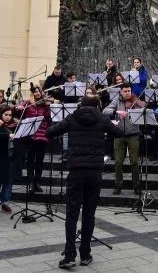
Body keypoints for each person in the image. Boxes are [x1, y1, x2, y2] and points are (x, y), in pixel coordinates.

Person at [47, 94, 123, 270]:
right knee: (89, 213)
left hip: (76, 170)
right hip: (95, 171)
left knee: (72, 214)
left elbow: (51, 132)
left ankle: (69, 255)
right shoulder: (102, 118)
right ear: (97, 106)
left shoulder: (73, 117)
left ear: (81, 105)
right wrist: (114, 125)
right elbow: (118, 133)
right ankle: (86, 254)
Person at [102, 82, 146, 195]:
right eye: (125, 91)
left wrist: (139, 108)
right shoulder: (117, 101)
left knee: (134, 162)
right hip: (119, 134)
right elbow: (105, 111)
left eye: (129, 91)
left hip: (133, 134)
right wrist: (116, 111)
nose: (128, 93)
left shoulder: (135, 100)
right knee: (118, 162)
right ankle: (118, 185)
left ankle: (136, 186)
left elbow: (144, 109)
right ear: (121, 92)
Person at [14, 88, 51, 193]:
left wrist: (48, 107)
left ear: (41, 93)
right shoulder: (28, 103)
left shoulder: (45, 105)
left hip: (42, 136)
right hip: (30, 137)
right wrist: (19, 107)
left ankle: (37, 183)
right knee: (30, 161)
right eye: (35, 92)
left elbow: (49, 119)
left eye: (38, 91)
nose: (37, 93)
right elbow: (18, 110)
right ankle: (30, 182)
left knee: (39, 161)